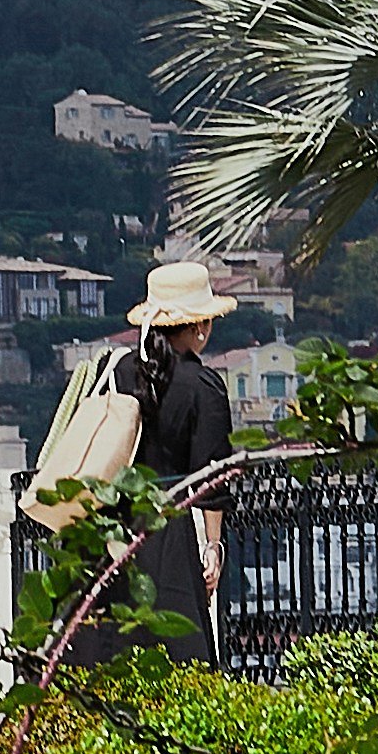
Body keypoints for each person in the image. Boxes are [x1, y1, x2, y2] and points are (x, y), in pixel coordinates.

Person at [118, 253, 239, 654]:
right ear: (201, 326)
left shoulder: (118, 371)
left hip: (112, 528)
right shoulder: (203, 386)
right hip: (168, 532)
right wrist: (213, 546)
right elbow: (213, 479)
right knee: (179, 654)